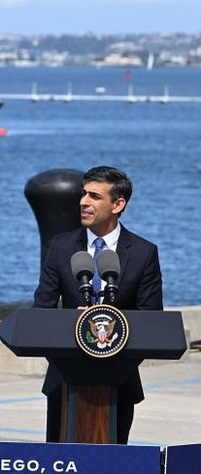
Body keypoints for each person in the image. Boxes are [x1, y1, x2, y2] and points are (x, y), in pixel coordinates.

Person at [33, 166, 162, 444]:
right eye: (83, 194)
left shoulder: (144, 253)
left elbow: (152, 321)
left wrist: (113, 328)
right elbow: (41, 312)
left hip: (120, 380)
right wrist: (73, 327)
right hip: (64, 381)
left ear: (118, 205)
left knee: (110, 465)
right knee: (60, 461)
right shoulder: (62, 246)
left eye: (94, 196)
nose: (83, 202)